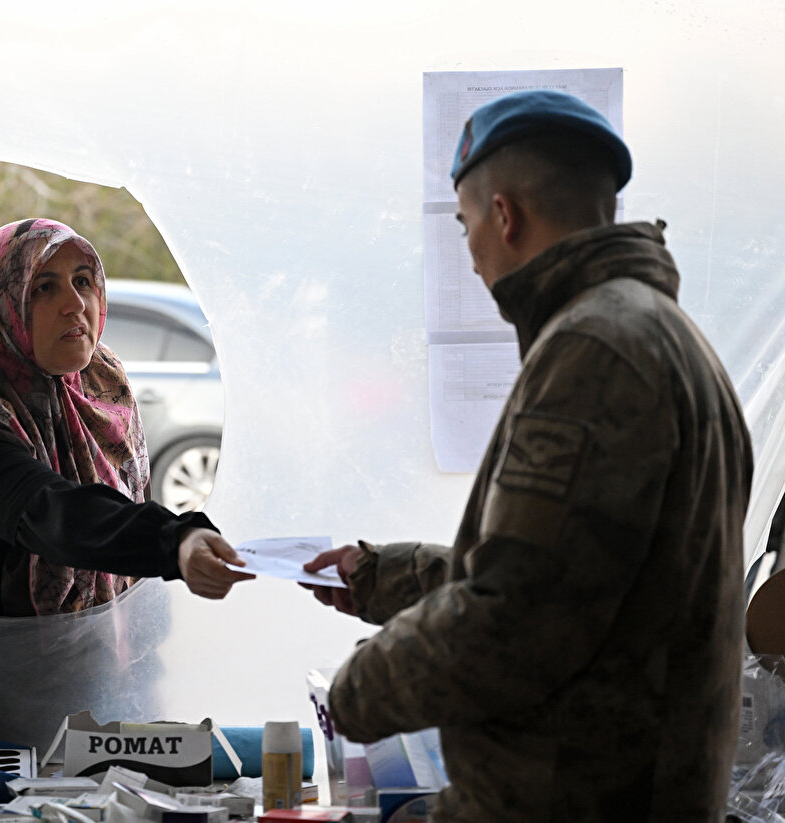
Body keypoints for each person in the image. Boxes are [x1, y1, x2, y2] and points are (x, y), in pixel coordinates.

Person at [304, 91, 753, 822]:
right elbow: (573, 575)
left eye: (466, 226)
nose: (473, 256)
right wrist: (388, 576)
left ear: (504, 215)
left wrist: (357, 688)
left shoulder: (594, 352)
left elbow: (512, 620)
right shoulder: (667, 336)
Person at [0, 218, 252, 616]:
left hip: (69, 649)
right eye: (44, 288)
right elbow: (53, 513)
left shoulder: (97, 378)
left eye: (83, 281)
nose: (74, 304)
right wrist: (174, 541)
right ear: (3, 304)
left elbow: (127, 498)